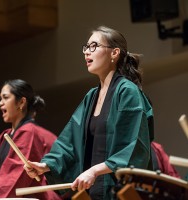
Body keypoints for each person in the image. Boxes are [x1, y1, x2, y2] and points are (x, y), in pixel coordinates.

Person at [24, 26, 154, 200]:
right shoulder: (91, 96)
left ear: (114, 53)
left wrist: (94, 170)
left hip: (122, 191)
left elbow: (133, 147)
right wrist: (47, 165)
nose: (87, 52)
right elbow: (70, 141)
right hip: (94, 190)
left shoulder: (127, 92)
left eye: (94, 46)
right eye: (86, 47)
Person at [0, 79, 61, 199]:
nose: (0, 103)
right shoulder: (4, 136)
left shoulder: (29, 132)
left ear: (21, 102)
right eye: (1, 98)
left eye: (5, 97)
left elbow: (15, 176)